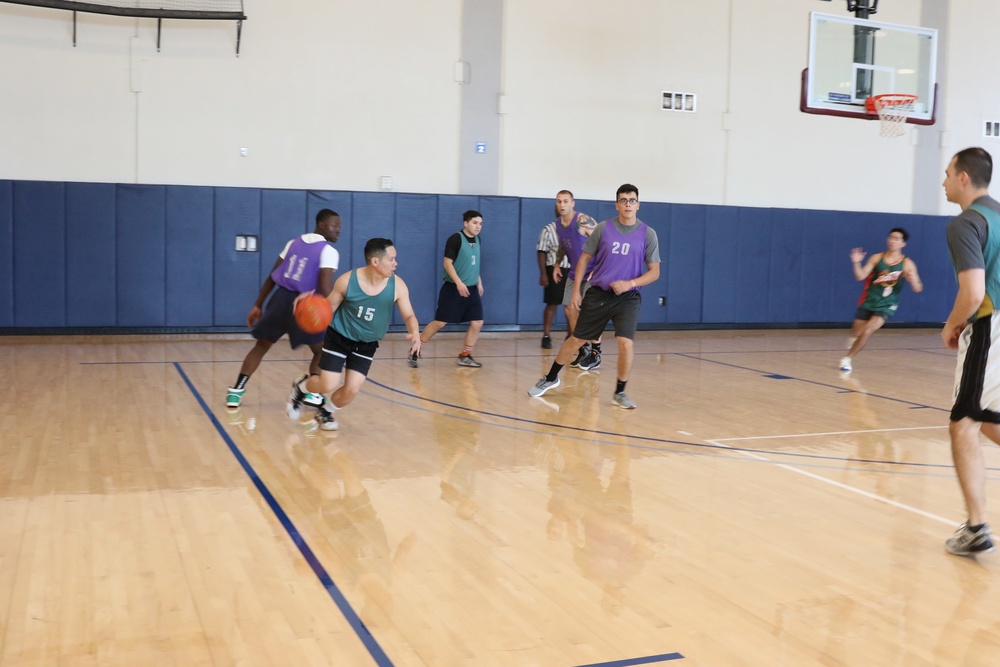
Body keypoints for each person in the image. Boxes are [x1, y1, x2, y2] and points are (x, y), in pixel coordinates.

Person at [527, 184, 660, 409]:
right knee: (577, 338)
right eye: (623, 200)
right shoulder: (603, 229)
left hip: (628, 297)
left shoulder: (648, 233)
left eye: (632, 200)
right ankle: (551, 377)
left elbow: (654, 272)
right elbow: (584, 259)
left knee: (625, 343)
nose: (628, 204)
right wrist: (577, 289)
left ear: (638, 204)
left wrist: (630, 283)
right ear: (617, 204)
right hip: (599, 293)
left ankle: (619, 392)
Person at [940, 146, 1000, 556]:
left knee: (963, 422)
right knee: (988, 417)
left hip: (991, 325)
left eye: (946, 173)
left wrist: (952, 323)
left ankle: (976, 528)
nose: (943, 181)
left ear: (964, 178)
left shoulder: (966, 223)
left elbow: (974, 291)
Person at [296, 238, 422, 431]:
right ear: (375, 261)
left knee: (352, 390)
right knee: (328, 384)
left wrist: (415, 333)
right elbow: (326, 309)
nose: (396, 263)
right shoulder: (347, 281)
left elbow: (409, 315)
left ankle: (326, 412)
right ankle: (301, 388)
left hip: (366, 343)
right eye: (391, 259)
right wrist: (308, 307)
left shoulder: (397, 286)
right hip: (339, 336)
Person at [226, 209, 341, 413]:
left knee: (261, 346)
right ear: (322, 224)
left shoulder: (293, 242)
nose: (338, 230)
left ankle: (236, 391)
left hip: (279, 300)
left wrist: (258, 304)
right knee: (321, 351)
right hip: (306, 305)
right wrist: (337, 308)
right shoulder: (329, 251)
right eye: (335, 225)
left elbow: (272, 276)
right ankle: (312, 393)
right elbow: (324, 289)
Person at [839, 227, 923, 372]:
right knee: (856, 332)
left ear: (903, 244)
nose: (892, 241)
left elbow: (918, 288)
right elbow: (860, 276)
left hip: (887, 305)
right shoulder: (877, 258)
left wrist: (913, 280)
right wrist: (856, 262)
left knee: (867, 331)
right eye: (890, 237)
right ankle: (854, 338)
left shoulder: (907, 264)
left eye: (896, 239)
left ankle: (847, 359)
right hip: (870, 301)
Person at [409, 210, 485, 368]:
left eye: (480, 224)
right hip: (454, 288)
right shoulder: (456, 239)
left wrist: (479, 281)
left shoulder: (478, 239)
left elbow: (474, 263)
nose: (478, 226)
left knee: (477, 322)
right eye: (474, 223)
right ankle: (416, 349)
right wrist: (458, 282)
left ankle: (465, 355)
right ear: (465, 223)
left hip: (471, 288)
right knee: (440, 323)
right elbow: (447, 263)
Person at [550, 190, 602, 369]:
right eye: (559, 201)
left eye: (565, 201)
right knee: (570, 310)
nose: (562, 205)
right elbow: (564, 245)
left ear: (573, 203)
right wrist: (557, 264)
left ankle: (596, 353)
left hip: (593, 273)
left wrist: (601, 268)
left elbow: (604, 242)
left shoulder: (582, 221)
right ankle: (584, 349)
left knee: (591, 312)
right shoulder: (558, 224)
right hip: (575, 273)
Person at [536, 207, 571, 349]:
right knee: (552, 303)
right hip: (553, 269)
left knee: (571, 305)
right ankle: (546, 335)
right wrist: (543, 273)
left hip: (572, 270)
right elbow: (541, 252)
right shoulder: (548, 229)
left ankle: (571, 335)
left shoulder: (575, 229)